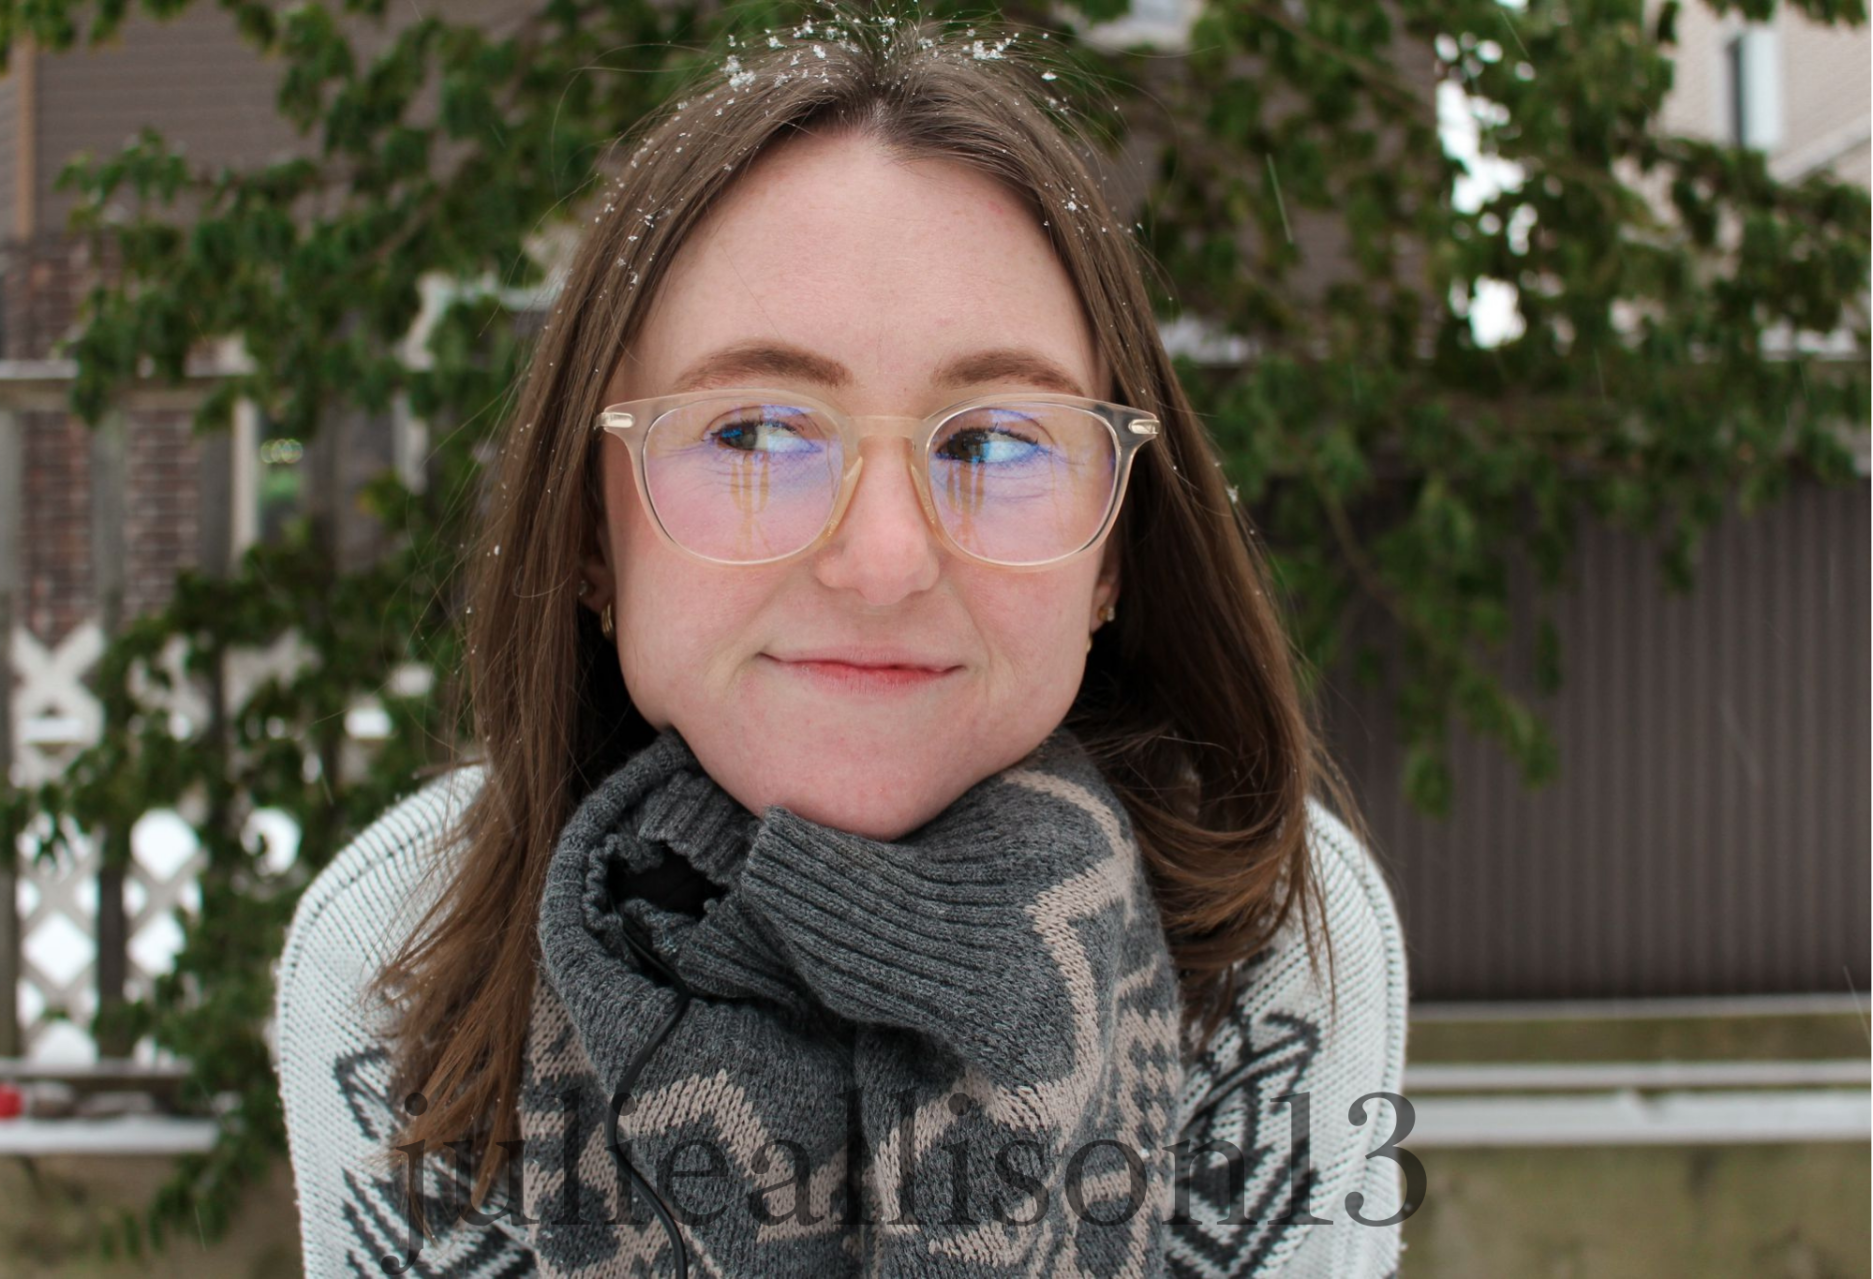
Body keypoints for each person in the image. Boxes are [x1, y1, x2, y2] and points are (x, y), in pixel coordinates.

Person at [276, 10, 1411, 1277]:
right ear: (592, 529)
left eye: (992, 443)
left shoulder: (1270, 939)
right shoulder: (401, 955)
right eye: (755, 435)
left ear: (1110, 555)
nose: (882, 560)